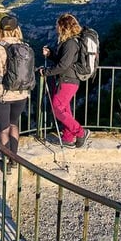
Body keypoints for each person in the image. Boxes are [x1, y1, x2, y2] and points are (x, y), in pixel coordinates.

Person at [0, 15, 31, 174]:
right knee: (14, 124)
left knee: (3, 129)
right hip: (21, 93)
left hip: (2, 94)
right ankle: (14, 160)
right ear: (17, 29)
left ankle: (5, 162)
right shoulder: (24, 46)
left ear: (1, 30)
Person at [39, 12, 91, 148]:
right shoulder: (71, 42)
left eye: (57, 24)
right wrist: (51, 55)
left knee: (56, 107)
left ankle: (80, 132)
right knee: (65, 109)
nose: (56, 27)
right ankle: (68, 137)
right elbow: (63, 61)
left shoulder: (70, 43)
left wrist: (46, 72)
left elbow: (63, 66)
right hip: (67, 80)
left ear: (63, 27)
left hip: (68, 81)